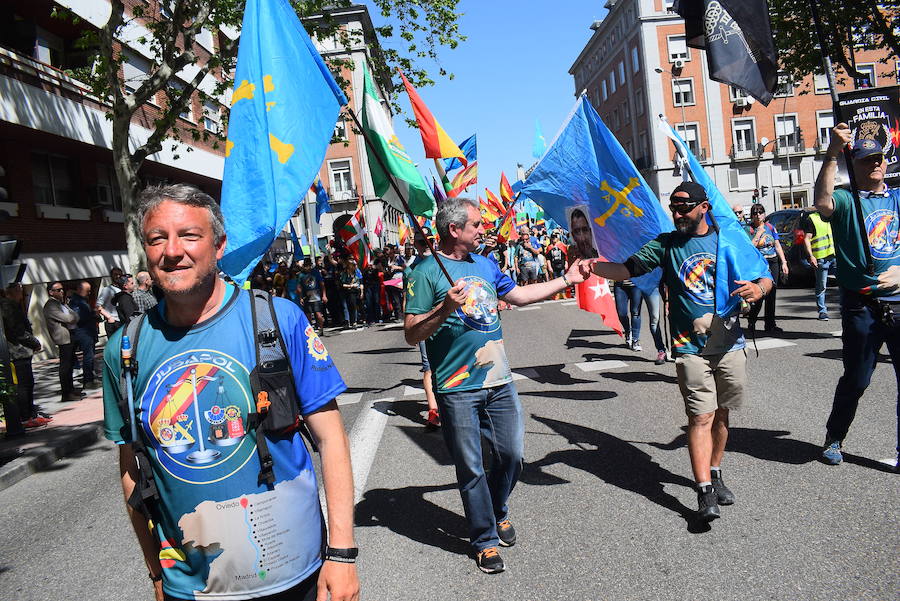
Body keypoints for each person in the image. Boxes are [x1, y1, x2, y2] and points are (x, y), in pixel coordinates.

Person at [102, 183, 358, 601]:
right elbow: (131, 469)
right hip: (193, 587)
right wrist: (155, 573)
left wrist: (343, 555)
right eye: (157, 238)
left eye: (189, 235)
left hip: (294, 575)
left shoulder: (278, 320)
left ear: (219, 246)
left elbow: (331, 438)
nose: (172, 250)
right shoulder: (123, 349)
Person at [404, 196, 591, 573]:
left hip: (499, 380)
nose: (482, 229)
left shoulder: (486, 264)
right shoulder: (424, 272)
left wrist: (566, 280)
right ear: (454, 229)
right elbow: (411, 333)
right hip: (456, 387)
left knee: (511, 456)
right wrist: (444, 310)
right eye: (475, 225)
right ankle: (484, 538)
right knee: (471, 466)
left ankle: (497, 507)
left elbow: (520, 296)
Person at [588, 181, 772, 523]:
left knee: (722, 415)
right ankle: (703, 491)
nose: (677, 213)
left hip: (729, 342)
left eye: (684, 207)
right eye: (673, 207)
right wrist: (591, 267)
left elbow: (764, 277)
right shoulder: (666, 244)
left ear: (704, 207)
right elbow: (627, 269)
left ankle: (715, 473)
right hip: (690, 347)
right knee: (700, 417)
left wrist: (757, 290)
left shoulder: (729, 239)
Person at [814, 128, 900, 467]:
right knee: (857, 378)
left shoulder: (897, 198)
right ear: (856, 165)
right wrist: (833, 152)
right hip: (862, 303)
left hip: (899, 300)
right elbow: (822, 203)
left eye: (878, 159)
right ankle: (835, 437)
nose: (874, 165)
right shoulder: (847, 199)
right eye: (866, 160)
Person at [404, 227, 441, 429]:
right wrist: (410, 328)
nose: (426, 244)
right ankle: (433, 410)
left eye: (429, 240)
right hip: (425, 323)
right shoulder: (411, 269)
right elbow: (407, 301)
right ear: (416, 245)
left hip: (447, 321)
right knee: (428, 368)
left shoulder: (444, 261)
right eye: (421, 241)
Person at [1, 283, 47, 430]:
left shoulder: (9, 306)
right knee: (23, 384)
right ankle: (25, 416)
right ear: (14, 292)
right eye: (21, 292)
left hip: (19, 351)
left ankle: (29, 414)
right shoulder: (9, 307)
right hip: (17, 351)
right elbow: (18, 331)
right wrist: (34, 342)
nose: (22, 295)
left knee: (27, 383)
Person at [744, 204, 788, 332]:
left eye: (760, 212)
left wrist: (784, 262)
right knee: (761, 293)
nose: (758, 215)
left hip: (773, 261)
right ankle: (752, 319)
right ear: (752, 216)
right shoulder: (749, 230)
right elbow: (749, 248)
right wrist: (758, 234)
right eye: (755, 213)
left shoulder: (770, 227)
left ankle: (770, 324)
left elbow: (777, 245)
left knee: (771, 293)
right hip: (759, 265)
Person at [42, 281, 81, 402]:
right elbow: (69, 318)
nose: (62, 292)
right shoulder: (51, 306)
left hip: (70, 336)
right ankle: (66, 393)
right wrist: (72, 317)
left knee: (70, 365)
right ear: (51, 292)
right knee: (65, 366)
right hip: (63, 339)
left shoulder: (62, 304)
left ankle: (71, 389)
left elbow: (76, 316)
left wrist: (73, 317)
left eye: (62, 289)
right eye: (58, 290)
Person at [801, 209, 836, 320]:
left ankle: (846, 308)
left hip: (835, 255)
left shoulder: (833, 215)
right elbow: (807, 238)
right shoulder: (812, 218)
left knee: (844, 283)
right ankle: (822, 311)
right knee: (821, 285)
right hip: (821, 257)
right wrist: (811, 256)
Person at [69, 280, 100, 389]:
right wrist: (92, 314)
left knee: (90, 356)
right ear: (80, 290)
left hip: (88, 331)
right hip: (83, 332)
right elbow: (78, 317)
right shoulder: (76, 302)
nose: (89, 293)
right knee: (88, 356)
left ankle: (90, 377)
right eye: (87, 291)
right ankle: (88, 380)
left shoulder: (82, 301)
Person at [299, 258, 327, 336]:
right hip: (306, 296)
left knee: (318, 314)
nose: (307, 267)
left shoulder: (315, 272)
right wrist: (301, 297)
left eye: (309, 265)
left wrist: (324, 295)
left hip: (316, 295)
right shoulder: (301, 275)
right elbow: (300, 287)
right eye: (306, 266)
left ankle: (321, 329)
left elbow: (322, 284)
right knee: (308, 314)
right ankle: (311, 330)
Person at [97, 266, 124, 336]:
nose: (118, 276)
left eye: (120, 275)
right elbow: (98, 306)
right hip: (113, 322)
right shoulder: (107, 290)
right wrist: (109, 317)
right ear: (111, 276)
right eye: (115, 274)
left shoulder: (124, 289)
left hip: (123, 321)